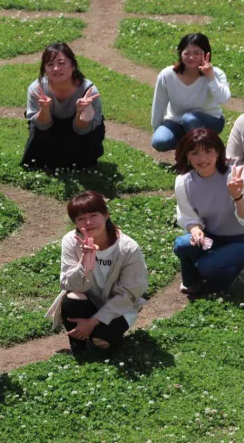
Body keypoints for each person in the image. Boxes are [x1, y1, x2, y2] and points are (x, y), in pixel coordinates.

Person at [46, 191, 148, 356]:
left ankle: (97, 335)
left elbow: (129, 294)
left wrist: (93, 322)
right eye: (80, 219)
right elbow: (69, 285)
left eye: (94, 215)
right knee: (72, 298)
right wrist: (85, 261)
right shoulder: (71, 241)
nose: (88, 222)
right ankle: (78, 345)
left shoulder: (128, 248)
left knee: (102, 342)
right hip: (87, 301)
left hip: (117, 306)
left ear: (106, 215)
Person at [172, 128, 244, 296]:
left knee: (206, 266)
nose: (202, 159)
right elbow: (188, 215)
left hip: (241, 238)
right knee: (182, 245)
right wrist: (196, 229)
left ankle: (222, 284)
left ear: (218, 153)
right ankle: (193, 283)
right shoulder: (184, 182)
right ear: (187, 156)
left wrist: (238, 196)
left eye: (208, 152)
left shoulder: (235, 176)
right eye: (195, 153)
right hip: (213, 236)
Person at [21, 42, 104, 170]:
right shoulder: (36, 89)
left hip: (79, 131)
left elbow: (82, 130)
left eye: (61, 63)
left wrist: (82, 112)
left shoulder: (88, 92)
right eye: (50, 64)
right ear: (44, 69)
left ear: (73, 66)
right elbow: (42, 126)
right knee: (42, 162)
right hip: (50, 129)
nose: (55, 69)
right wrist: (44, 109)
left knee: (80, 163)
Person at [151, 33, 230, 152]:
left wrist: (210, 77)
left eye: (197, 53)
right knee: (160, 141)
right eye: (187, 53)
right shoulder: (167, 75)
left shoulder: (216, 74)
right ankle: (192, 145)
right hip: (176, 122)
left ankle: (203, 151)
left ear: (206, 54)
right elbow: (159, 104)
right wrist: (157, 130)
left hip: (210, 121)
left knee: (190, 118)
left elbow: (223, 99)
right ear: (180, 54)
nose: (191, 57)